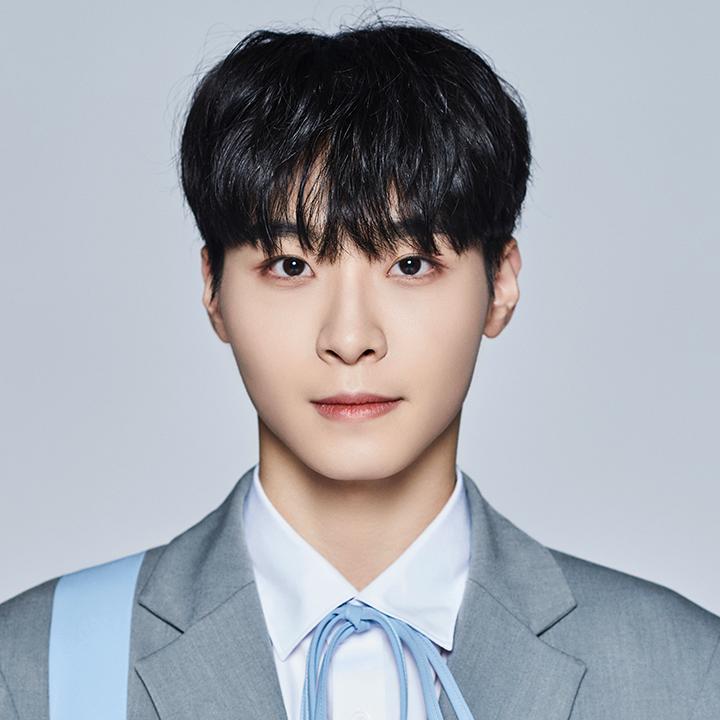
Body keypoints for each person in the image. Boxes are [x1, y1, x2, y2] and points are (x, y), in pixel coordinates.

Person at [1, 18, 718, 720]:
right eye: (291, 265)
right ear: (213, 290)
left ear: (500, 284)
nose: (350, 339)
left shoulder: (686, 673)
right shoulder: (32, 669)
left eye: (410, 264)